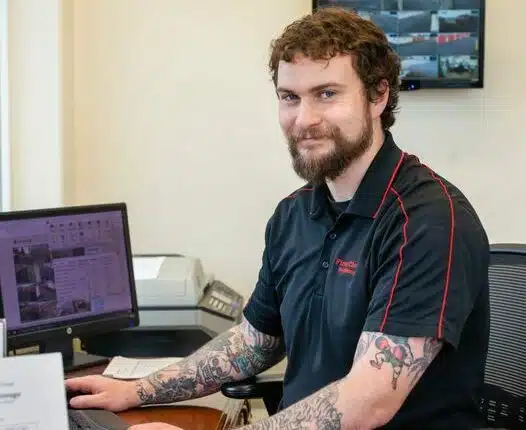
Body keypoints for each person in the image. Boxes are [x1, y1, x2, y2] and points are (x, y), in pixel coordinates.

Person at [65, 6, 490, 429]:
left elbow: (368, 401)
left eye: (327, 93)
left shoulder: (428, 220)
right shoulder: (293, 214)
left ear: (378, 95)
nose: (304, 120)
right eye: (290, 97)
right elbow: (254, 343)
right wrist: (136, 390)